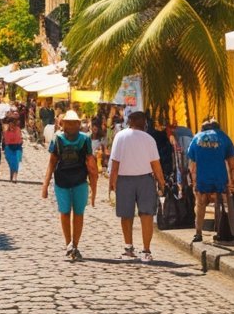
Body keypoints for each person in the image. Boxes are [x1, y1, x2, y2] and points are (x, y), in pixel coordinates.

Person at [108, 110, 166, 263]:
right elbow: (156, 165)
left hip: (124, 179)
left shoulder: (120, 136)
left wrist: (111, 183)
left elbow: (115, 163)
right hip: (145, 180)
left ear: (129, 122)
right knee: (146, 215)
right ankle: (146, 250)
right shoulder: (149, 139)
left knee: (126, 215)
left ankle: (129, 248)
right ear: (144, 123)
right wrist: (162, 182)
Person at [41, 110, 98, 261]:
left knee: (79, 214)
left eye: (74, 123)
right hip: (62, 180)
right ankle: (68, 244)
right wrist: (45, 185)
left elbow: (91, 164)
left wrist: (94, 187)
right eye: (69, 123)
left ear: (79, 125)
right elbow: (52, 162)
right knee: (65, 212)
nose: (71, 126)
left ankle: (76, 245)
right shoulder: (57, 138)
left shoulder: (85, 139)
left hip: (80, 181)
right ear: (62, 124)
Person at [186, 119, 234, 244]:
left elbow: (192, 164)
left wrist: (193, 180)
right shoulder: (223, 137)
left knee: (200, 204)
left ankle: (198, 233)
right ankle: (224, 231)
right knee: (223, 204)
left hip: (202, 177)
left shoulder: (197, 138)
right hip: (219, 176)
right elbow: (232, 163)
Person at [3, 116, 24, 182]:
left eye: (13, 123)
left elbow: (20, 139)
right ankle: (11, 174)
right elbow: (4, 139)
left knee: (16, 161)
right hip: (9, 148)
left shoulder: (18, 129)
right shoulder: (6, 130)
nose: (11, 125)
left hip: (17, 147)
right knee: (11, 163)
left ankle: (15, 176)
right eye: (10, 123)